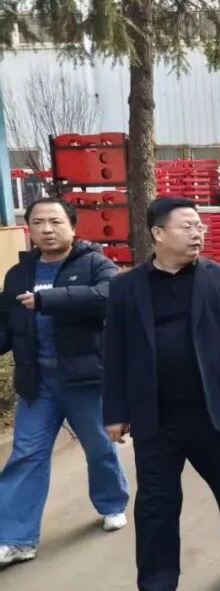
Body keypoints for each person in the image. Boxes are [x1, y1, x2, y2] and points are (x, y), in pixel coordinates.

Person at [103, 196, 220, 591]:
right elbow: (114, 353)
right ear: (157, 233)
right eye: (187, 226)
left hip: (212, 412)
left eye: (200, 226)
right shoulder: (126, 288)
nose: (198, 233)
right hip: (155, 418)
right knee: (155, 507)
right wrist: (115, 411)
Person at [0, 197, 128, 568]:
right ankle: (15, 538)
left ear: (73, 227)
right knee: (26, 455)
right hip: (37, 381)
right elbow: (8, 326)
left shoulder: (94, 263)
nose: (47, 229)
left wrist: (48, 300)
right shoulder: (18, 274)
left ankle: (111, 503)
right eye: (39, 222)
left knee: (99, 447)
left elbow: (109, 297)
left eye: (55, 221)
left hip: (84, 379)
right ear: (30, 229)